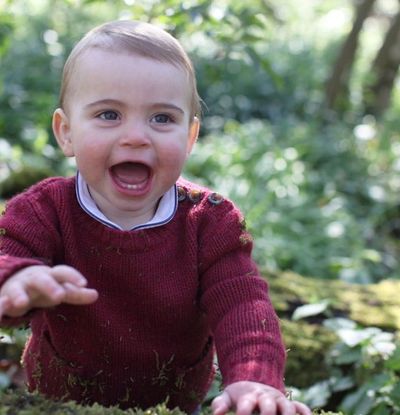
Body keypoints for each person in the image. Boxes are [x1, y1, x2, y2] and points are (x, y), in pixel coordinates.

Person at [0, 20, 311, 415]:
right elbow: (7, 255)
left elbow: (243, 302)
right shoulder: (44, 210)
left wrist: (254, 377)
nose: (136, 136)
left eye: (162, 118)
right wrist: (17, 277)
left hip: (174, 405)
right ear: (66, 133)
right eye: (109, 114)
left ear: (190, 137)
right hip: (56, 403)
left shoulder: (209, 221)